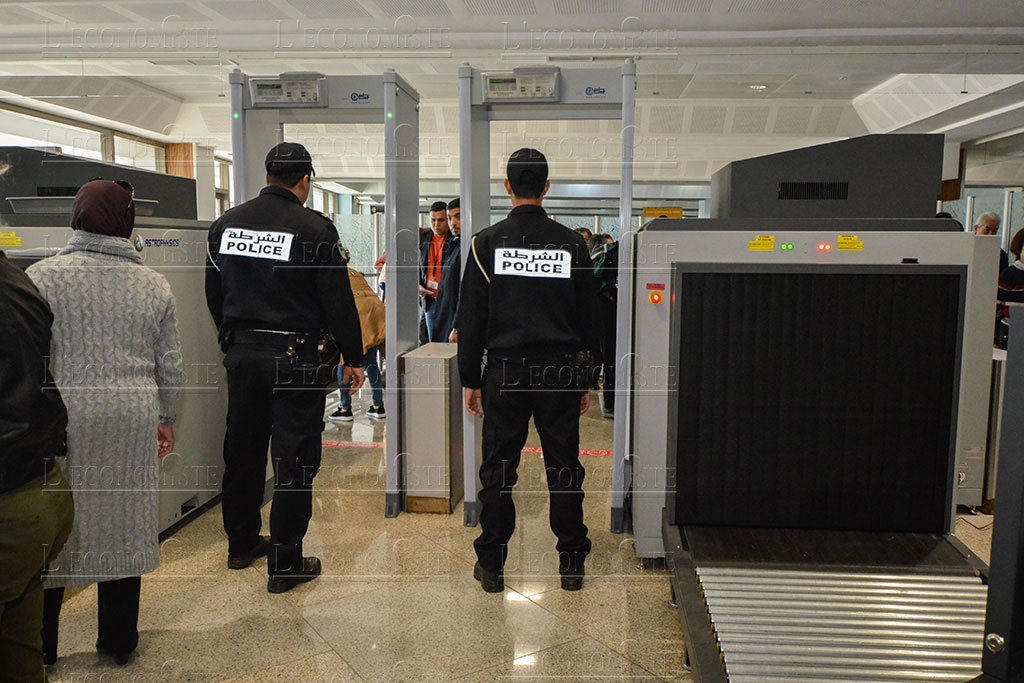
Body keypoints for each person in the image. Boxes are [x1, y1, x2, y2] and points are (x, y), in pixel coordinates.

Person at [27, 180, 182, 666]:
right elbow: (171, 364)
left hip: (62, 421)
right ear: (126, 222)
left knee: (54, 528)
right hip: (129, 419)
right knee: (122, 521)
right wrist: (166, 418)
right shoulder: (153, 283)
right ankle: (118, 640)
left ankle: (42, 646)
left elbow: (28, 355)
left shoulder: (39, 277)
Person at [206, 142, 365, 594]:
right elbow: (337, 301)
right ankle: (285, 561)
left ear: (268, 174)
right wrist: (353, 357)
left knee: (243, 449)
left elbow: (214, 293)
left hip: (243, 356)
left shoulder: (225, 225)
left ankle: (240, 545)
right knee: (294, 459)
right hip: (298, 360)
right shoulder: (315, 230)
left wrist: (234, 339)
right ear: (305, 181)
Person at [457, 148, 601, 594]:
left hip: (505, 374)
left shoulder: (485, 243)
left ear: (507, 187)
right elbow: (589, 321)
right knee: (564, 468)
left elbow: (471, 317)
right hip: (558, 375)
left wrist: (470, 379)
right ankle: (571, 564)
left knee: (499, 470)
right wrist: (585, 379)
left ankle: (493, 565)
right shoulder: (572, 245)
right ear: (546, 186)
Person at [0, 250, 75, 682]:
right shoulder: (18, 279)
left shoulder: (42, 272)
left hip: (9, 504)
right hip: (41, 490)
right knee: (19, 649)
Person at [329, 259, 387, 422]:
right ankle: (378, 406)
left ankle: (345, 408)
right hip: (375, 315)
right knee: (371, 362)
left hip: (358, 317)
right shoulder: (353, 273)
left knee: (344, 361)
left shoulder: (333, 274)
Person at [589, 234, 619, 419]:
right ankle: (611, 402)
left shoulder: (609, 254)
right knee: (609, 356)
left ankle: (610, 403)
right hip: (610, 312)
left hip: (604, 311)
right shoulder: (618, 254)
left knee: (607, 356)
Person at [419, 200, 457, 344]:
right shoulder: (424, 239)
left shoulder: (455, 240)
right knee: (433, 342)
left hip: (448, 298)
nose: (436, 224)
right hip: (429, 298)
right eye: (433, 220)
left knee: (449, 341)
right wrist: (419, 285)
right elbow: (418, 265)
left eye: (440, 220)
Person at [431, 197, 462, 344]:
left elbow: (466, 291)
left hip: (455, 322)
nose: (453, 223)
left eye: (458, 216)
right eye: (450, 218)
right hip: (442, 311)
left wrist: (457, 327)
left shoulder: (469, 247)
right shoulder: (454, 246)